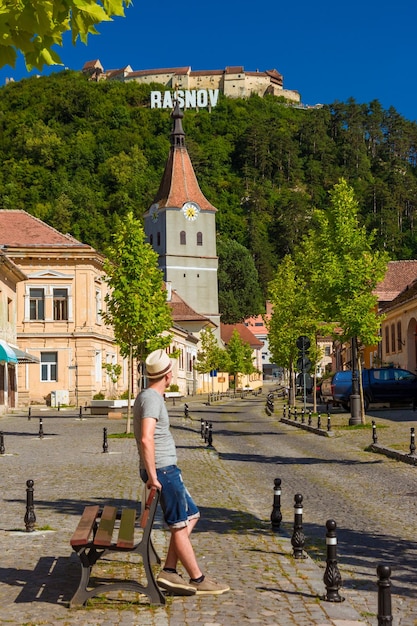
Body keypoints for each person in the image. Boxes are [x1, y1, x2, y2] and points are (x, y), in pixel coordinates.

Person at [133, 349, 229, 596]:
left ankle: (169, 570)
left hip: (166, 469)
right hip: (163, 470)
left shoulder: (148, 396)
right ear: (168, 375)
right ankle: (198, 579)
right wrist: (153, 476)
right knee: (178, 526)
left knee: (192, 515)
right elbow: (146, 438)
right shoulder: (152, 399)